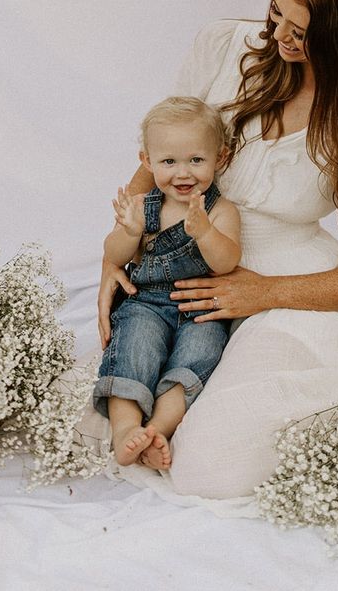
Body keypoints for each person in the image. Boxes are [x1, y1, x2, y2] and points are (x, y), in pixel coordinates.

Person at [97, 0, 338, 501]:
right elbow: (159, 153)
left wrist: (264, 293)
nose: (278, 36)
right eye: (277, 13)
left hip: (290, 290)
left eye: (300, 32)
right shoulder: (226, 47)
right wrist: (115, 258)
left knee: (212, 464)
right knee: (105, 400)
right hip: (182, 269)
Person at [94, 96, 241, 469]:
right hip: (146, 301)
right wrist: (129, 232)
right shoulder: (143, 206)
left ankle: (158, 428)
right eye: (169, 161)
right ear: (147, 161)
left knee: (199, 355)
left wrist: (206, 233)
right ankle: (126, 428)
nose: (183, 173)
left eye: (196, 160)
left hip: (199, 307)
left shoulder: (220, 211)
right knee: (134, 348)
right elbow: (115, 254)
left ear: (220, 158)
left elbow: (226, 263)